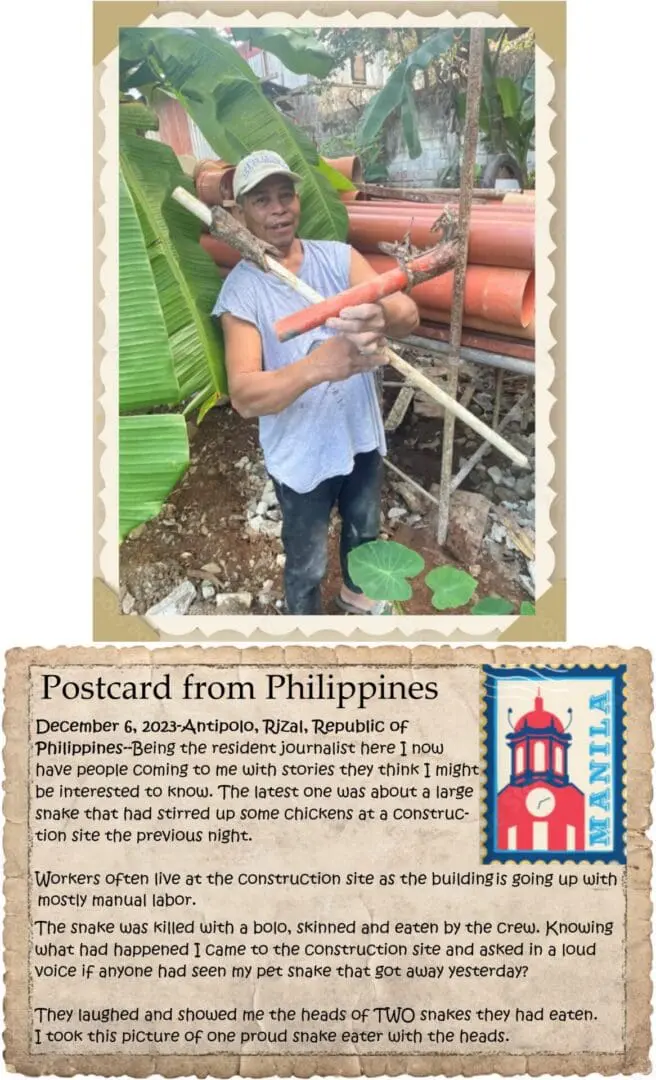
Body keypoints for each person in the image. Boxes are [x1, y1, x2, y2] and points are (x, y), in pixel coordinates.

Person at [212, 149, 419, 615]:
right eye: (262, 200)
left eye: (285, 196)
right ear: (241, 212)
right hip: (301, 456)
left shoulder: (339, 260)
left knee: (364, 531)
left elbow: (409, 315)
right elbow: (245, 397)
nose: (278, 208)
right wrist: (320, 366)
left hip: (359, 436)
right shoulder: (241, 294)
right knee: (306, 563)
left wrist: (380, 312)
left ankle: (356, 598)